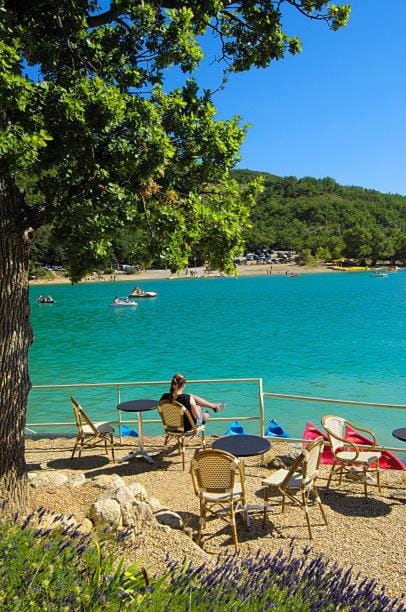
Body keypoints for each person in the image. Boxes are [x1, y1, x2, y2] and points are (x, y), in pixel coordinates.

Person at [160, 373, 225, 430]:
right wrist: (198, 408)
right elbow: (197, 416)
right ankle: (211, 409)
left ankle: (213, 406)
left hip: (170, 426)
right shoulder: (187, 398)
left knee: (193, 402)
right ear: (184, 385)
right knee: (204, 413)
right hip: (187, 427)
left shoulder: (164, 397)